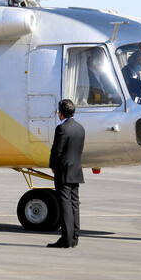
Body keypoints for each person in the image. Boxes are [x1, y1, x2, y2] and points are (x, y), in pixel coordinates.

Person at [48, 99, 85, 249]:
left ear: (61, 113)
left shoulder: (62, 128)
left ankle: (66, 239)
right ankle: (75, 237)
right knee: (74, 204)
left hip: (63, 170)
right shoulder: (80, 128)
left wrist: (53, 165)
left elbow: (57, 150)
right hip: (76, 169)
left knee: (65, 205)